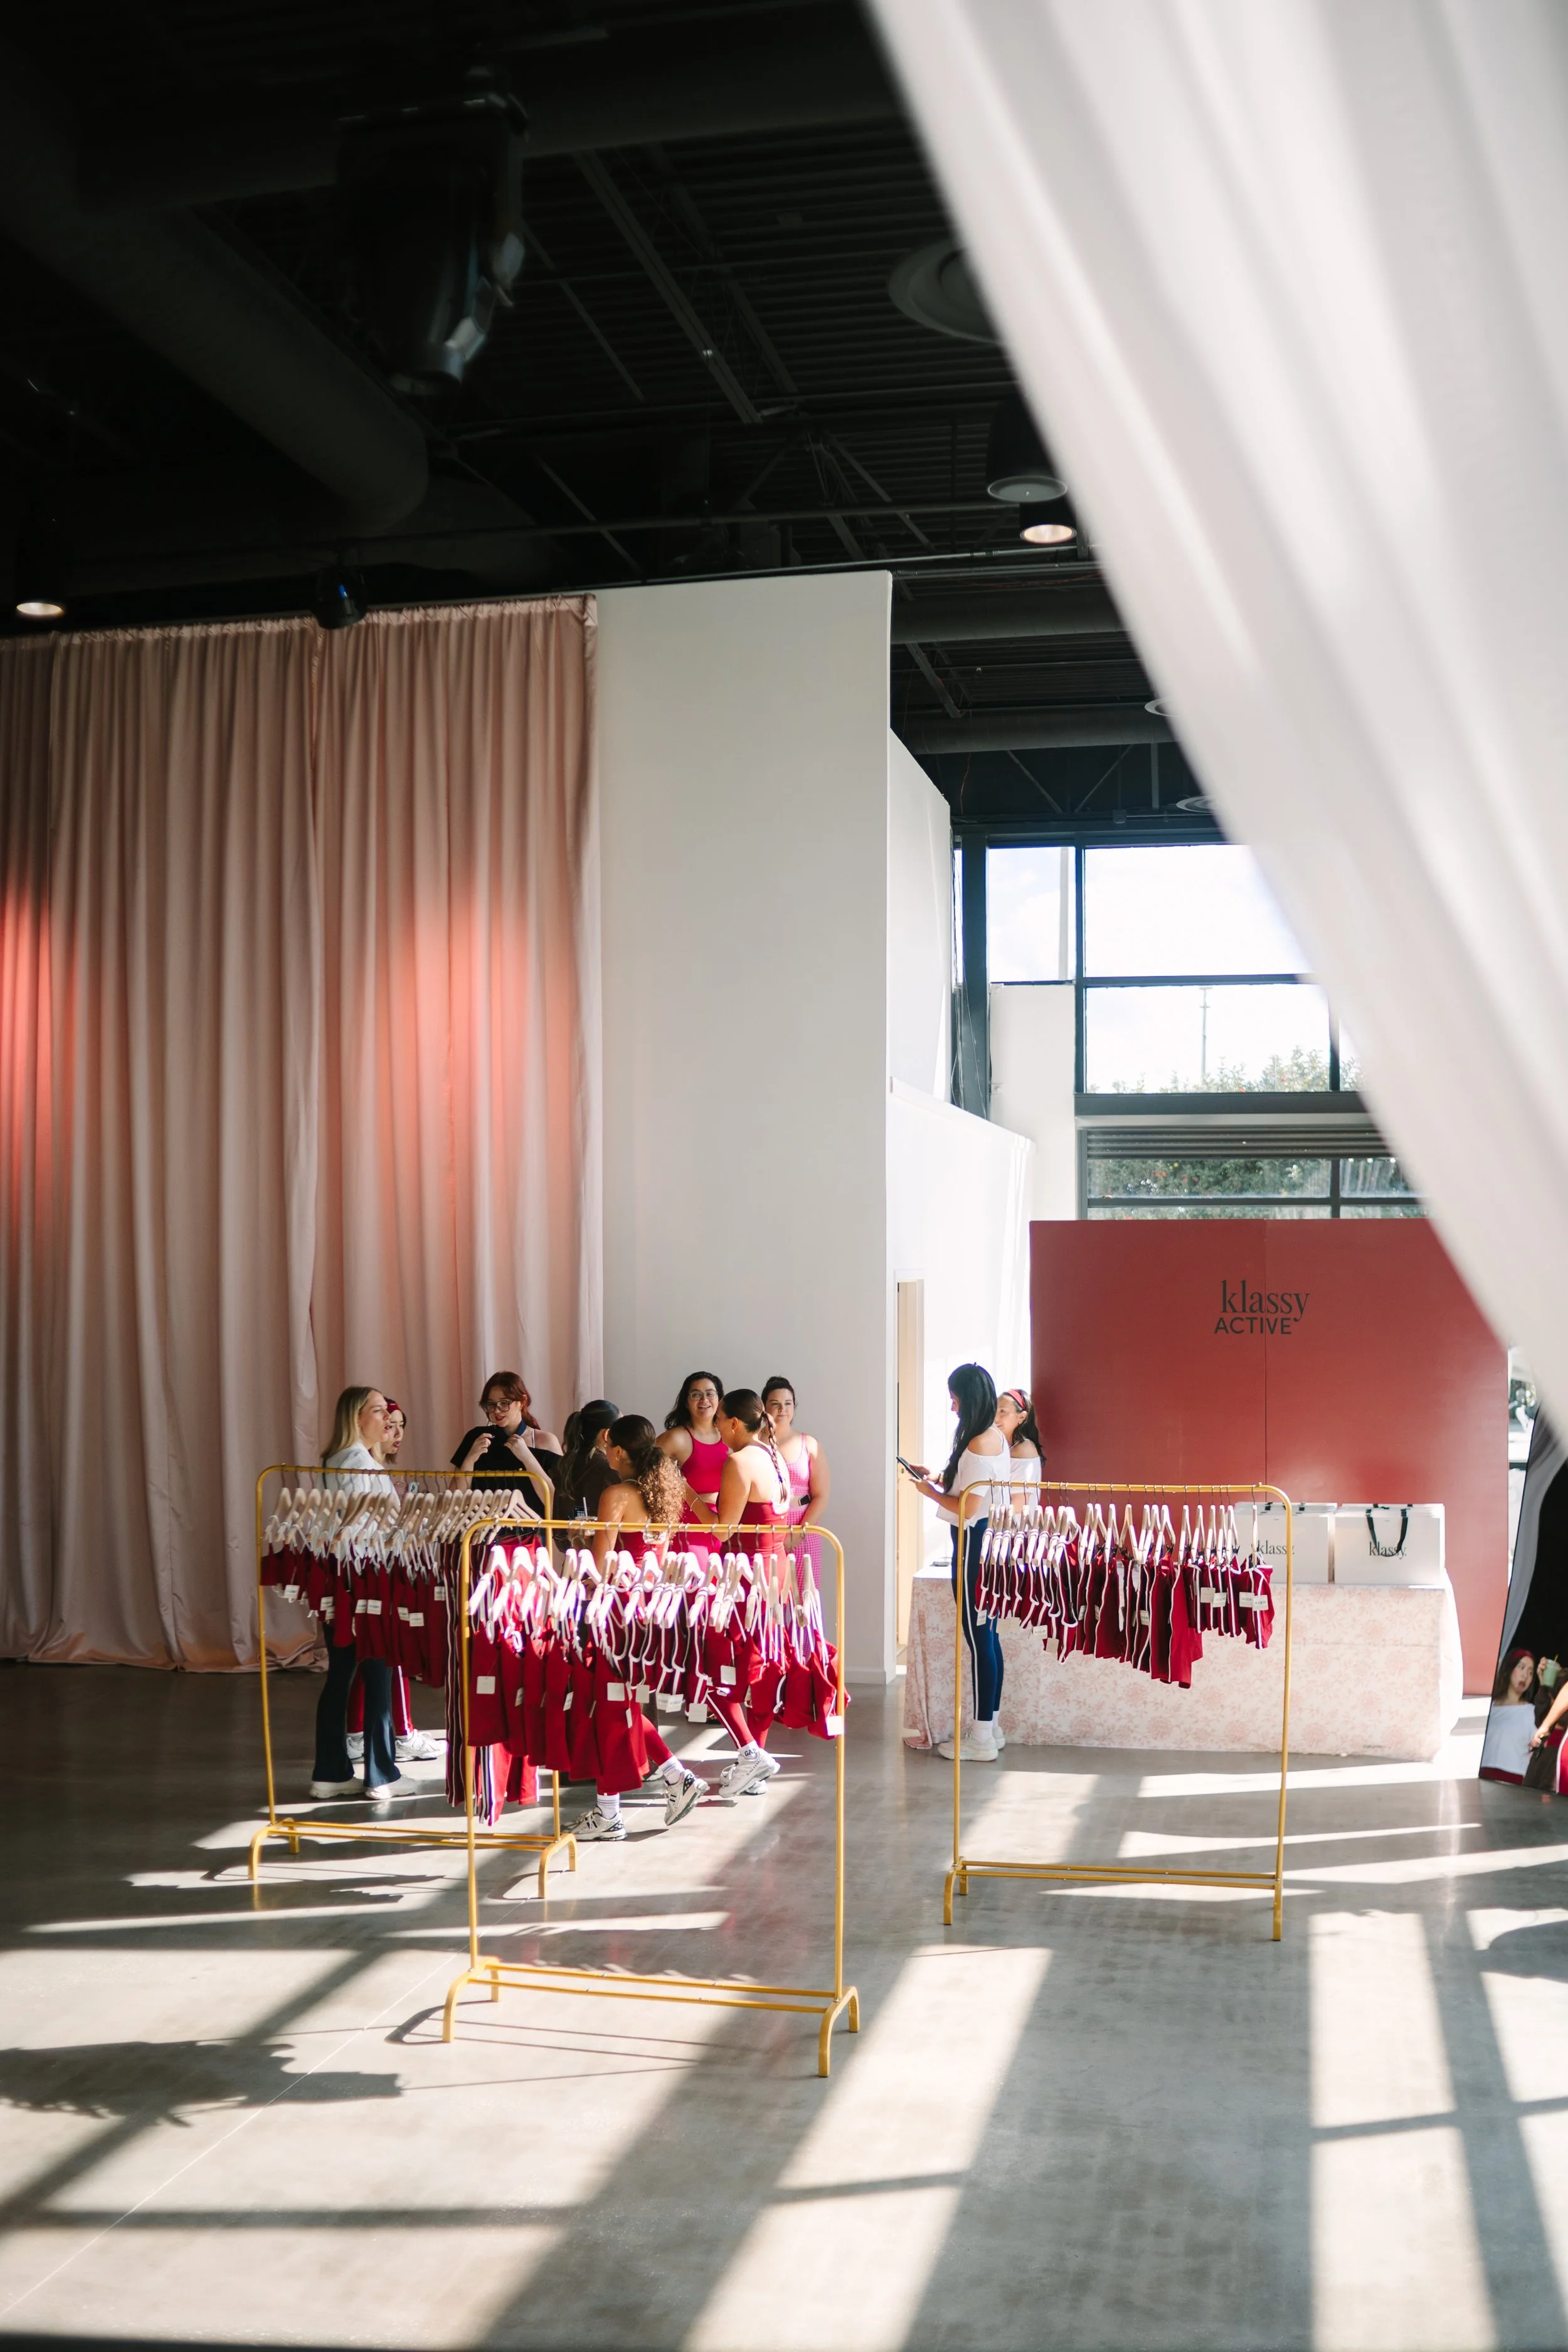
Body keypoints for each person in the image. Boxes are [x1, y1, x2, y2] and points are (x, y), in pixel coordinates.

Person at [575, 1414, 707, 1841]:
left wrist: (580, 1542)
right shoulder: (664, 1492)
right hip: (648, 1609)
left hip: (615, 1608)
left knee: (611, 1705)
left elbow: (600, 1564)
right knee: (622, 1705)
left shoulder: (615, 1493)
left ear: (616, 1450)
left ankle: (612, 1811)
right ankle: (671, 1778)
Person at [310, 1386, 418, 1806]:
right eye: (379, 1411)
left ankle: (330, 1771)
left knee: (341, 1675)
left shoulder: (334, 1462)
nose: (387, 1418)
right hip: (368, 1577)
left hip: (341, 1578)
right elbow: (369, 1529)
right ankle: (381, 1772)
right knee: (378, 1672)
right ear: (357, 1418)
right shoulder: (360, 1465)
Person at [906, 1364, 1010, 1764]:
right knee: (988, 1636)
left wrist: (929, 1492)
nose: (952, 1406)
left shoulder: (980, 1441)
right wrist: (940, 1478)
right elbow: (970, 1489)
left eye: (955, 1398)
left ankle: (982, 1736)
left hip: (975, 1547)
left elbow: (969, 1507)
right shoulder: (993, 1437)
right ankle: (991, 1727)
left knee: (979, 1637)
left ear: (969, 1398)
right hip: (986, 1546)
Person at [347, 1396, 440, 1769]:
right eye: (389, 1422)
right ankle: (399, 1734)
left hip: (380, 1564)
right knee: (387, 1653)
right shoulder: (364, 1468)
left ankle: (365, 1734)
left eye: (401, 1425)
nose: (396, 1432)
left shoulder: (382, 1473)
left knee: (373, 1657)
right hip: (372, 1567)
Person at [453, 1371, 558, 1520]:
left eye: (504, 1403)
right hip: (481, 1534)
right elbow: (455, 1500)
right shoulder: (477, 1437)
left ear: (522, 1402)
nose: (496, 1411)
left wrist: (528, 1458)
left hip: (531, 1537)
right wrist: (469, 1460)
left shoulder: (545, 1441)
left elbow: (557, 1504)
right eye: (491, 1405)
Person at [657, 1370, 728, 1532]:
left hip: (726, 1529)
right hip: (688, 1530)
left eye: (710, 1394)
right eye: (696, 1395)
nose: (704, 1400)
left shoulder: (731, 1435)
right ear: (686, 1402)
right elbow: (645, 1473)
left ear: (720, 1399)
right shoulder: (677, 1438)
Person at [761, 1375, 830, 1539]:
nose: (782, 1409)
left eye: (787, 1404)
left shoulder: (810, 1444)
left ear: (794, 1406)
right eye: (775, 1404)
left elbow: (821, 1496)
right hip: (765, 1528)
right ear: (764, 1407)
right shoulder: (753, 1443)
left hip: (804, 1529)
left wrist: (799, 1534)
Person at [556, 1398, 622, 1523]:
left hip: (568, 1540)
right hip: (597, 1540)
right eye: (622, 1429)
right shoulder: (607, 1468)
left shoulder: (566, 1462)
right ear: (607, 1435)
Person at [1481, 1648, 1539, 1784]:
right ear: (1509, 1669)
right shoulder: (1490, 1707)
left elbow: (1535, 1755)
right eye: (1522, 1667)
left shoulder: (1531, 1712)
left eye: (1531, 1672)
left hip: (1513, 1780)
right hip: (1484, 1775)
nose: (1526, 1675)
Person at [996, 1387, 1044, 1486]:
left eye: (1002, 1411)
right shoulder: (1001, 1444)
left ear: (1022, 1416)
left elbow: (1020, 1499)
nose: (996, 1418)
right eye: (994, 1411)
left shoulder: (1024, 1448)